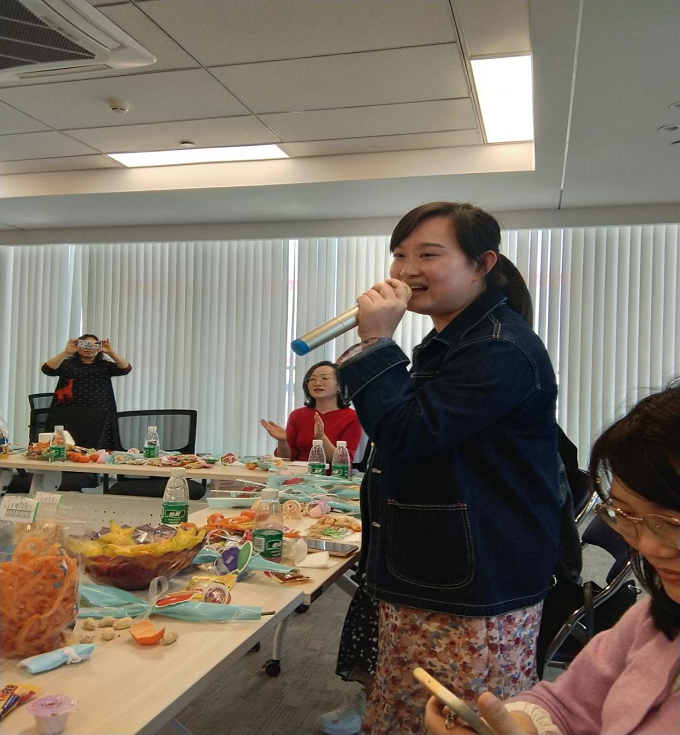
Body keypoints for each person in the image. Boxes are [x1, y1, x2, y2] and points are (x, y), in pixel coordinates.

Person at [324, 202, 563, 735]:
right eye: (399, 255)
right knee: (408, 713)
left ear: (482, 264)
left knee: (459, 722)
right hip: (435, 564)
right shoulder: (452, 340)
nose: (407, 270)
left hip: (474, 583)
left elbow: (409, 434)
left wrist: (375, 344)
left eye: (429, 255)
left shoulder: (500, 348)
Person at [425, 380, 680, 735]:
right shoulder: (653, 619)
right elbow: (568, 703)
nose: (650, 548)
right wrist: (519, 725)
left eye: (670, 524)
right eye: (625, 514)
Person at [260, 360, 362, 463]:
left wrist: (321, 438)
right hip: (298, 472)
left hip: (330, 473)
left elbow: (343, 463)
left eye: (325, 378)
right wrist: (282, 441)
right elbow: (286, 460)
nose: (317, 383)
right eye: (312, 379)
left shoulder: (353, 417)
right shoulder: (297, 415)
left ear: (340, 385)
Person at [41, 334, 131, 449]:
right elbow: (47, 369)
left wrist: (111, 352)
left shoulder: (105, 366)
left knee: (98, 446)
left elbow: (125, 368)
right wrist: (66, 352)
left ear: (99, 348)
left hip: (99, 413)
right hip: (68, 411)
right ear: (78, 346)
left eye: (94, 345)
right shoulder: (66, 364)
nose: (89, 348)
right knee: (67, 445)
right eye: (84, 345)